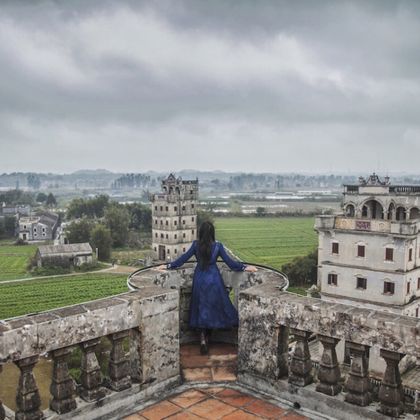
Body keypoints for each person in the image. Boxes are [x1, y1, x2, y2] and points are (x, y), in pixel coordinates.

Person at [156, 221, 257, 354]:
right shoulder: (218, 246)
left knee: (200, 307)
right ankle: (208, 337)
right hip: (213, 278)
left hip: (199, 278)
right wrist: (245, 267)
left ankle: (203, 338)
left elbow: (183, 259)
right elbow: (230, 263)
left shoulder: (195, 245)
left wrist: (168, 266)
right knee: (214, 307)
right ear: (212, 233)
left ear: (201, 233)